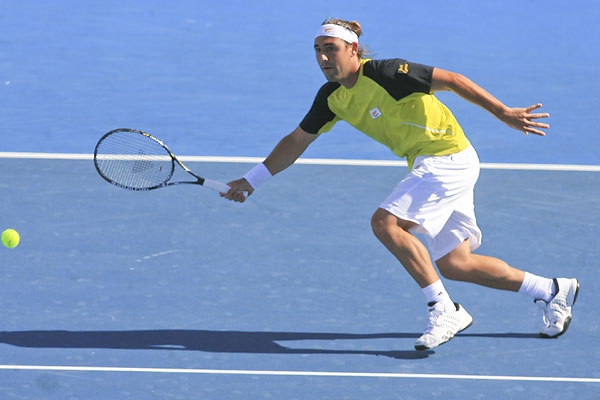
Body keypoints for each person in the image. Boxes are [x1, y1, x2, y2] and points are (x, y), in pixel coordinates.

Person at [221, 18, 580, 350]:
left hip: (447, 159)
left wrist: (503, 112)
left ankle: (443, 309)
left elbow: (453, 80)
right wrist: (252, 180)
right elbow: (297, 140)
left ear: (353, 49)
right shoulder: (331, 98)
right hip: (439, 162)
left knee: (386, 223)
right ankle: (552, 290)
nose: (323, 57)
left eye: (331, 48)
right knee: (456, 263)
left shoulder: (388, 73)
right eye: (318, 50)